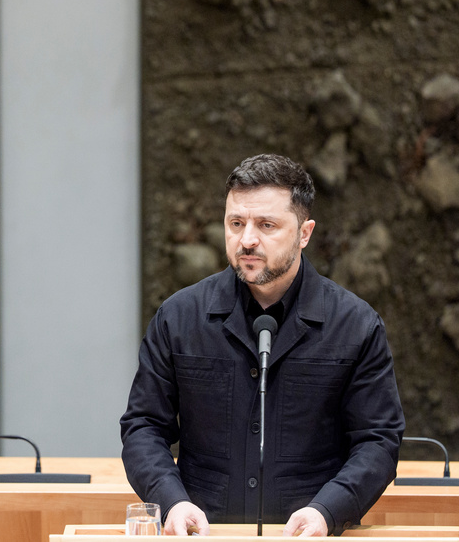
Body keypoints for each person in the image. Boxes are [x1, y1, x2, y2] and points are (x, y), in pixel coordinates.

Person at [120, 154, 404, 537]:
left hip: (309, 536)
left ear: (305, 233)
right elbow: (143, 426)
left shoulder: (355, 325)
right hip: (204, 534)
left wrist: (327, 511)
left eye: (266, 225)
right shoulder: (179, 318)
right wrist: (173, 501)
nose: (247, 239)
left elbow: (378, 441)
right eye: (236, 223)